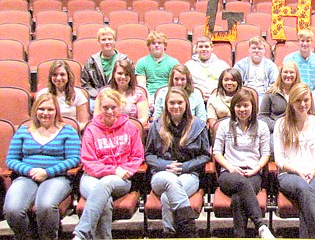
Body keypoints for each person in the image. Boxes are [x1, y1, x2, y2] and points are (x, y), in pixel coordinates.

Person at [3, 94, 80, 240]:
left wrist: (47, 172)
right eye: (41, 109)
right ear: (35, 110)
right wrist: (30, 170)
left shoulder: (68, 131)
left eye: (50, 109)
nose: (45, 113)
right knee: (12, 210)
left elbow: (73, 160)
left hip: (57, 178)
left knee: (46, 207)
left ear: (56, 111)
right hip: (27, 177)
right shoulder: (23, 131)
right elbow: (11, 160)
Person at [73, 89, 144, 240]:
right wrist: (113, 170)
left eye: (113, 107)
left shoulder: (130, 127)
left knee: (105, 184)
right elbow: (88, 162)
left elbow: (137, 156)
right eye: (105, 108)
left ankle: (81, 234)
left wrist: (122, 171)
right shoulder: (91, 129)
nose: (110, 111)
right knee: (103, 201)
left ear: (119, 107)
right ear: (99, 108)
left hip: (120, 180)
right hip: (91, 177)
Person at [145, 87, 210, 238]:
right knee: (170, 180)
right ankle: (189, 229)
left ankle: (169, 234)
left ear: (186, 104)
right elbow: (148, 155)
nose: (176, 106)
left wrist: (184, 167)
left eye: (180, 102)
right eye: (172, 103)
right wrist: (165, 166)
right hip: (161, 175)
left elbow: (205, 156)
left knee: (167, 197)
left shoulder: (198, 125)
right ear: (166, 105)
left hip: (189, 175)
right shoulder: (157, 124)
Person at [273, 83, 315, 239]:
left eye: (306, 100)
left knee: (307, 198)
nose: (302, 104)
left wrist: (313, 171)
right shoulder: (281, 124)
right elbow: (279, 159)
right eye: (298, 100)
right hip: (289, 175)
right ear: (291, 102)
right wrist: (297, 171)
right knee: (304, 190)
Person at [213, 88, 275, 238]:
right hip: (229, 173)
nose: (242, 109)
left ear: (252, 107)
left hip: (253, 173)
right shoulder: (224, 125)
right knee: (241, 184)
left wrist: (256, 169)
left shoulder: (262, 126)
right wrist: (231, 167)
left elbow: (266, 153)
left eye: (246, 106)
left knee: (238, 198)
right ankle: (260, 225)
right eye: (238, 106)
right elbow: (217, 153)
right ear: (233, 107)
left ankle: (239, 236)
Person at [82, 27, 132, 102]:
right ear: (98, 42)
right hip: (96, 97)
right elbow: (85, 84)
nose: (107, 42)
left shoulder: (125, 60)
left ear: (114, 41)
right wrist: (99, 94)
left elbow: (131, 81)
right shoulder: (91, 62)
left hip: (120, 96)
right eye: (103, 39)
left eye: (110, 39)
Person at [36, 60, 89, 129]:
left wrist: (70, 132)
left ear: (68, 76)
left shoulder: (78, 94)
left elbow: (83, 123)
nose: (58, 78)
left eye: (62, 74)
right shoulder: (43, 94)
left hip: (70, 133)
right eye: (55, 75)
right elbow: (36, 121)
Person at [135, 31, 180, 99]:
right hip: (148, 95)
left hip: (168, 95)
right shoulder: (141, 62)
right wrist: (148, 99)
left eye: (159, 43)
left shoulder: (173, 62)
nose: (156, 45)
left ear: (164, 45)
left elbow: (174, 85)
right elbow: (142, 86)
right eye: (153, 43)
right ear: (149, 46)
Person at [259, 60, 302, 133]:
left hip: (299, 130)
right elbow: (262, 117)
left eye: (291, 72)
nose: (288, 75)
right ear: (280, 74)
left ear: (296, 74)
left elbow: (312, 115)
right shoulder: (270, 93)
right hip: (276, 131)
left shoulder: (302, 92)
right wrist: (278, 126)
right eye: (285, 72)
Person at [233, 36, 278, 103]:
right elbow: (236, 83)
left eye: (260, 48)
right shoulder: (240, 65)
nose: (257, 51)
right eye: (254, 48)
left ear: (264, 50)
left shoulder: (271, 65)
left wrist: (267, 97)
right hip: (245, 95)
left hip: (265, 96)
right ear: (249, 49)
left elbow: (275, 84)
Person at [184, 36, 230, 101]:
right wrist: (199, 93)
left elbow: (228, 83)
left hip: (218, 99)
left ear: (212, 48)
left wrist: (215, 94)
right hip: (194, 99)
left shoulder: (223, 65)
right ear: (196, 48)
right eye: (200, 47)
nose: (204, 49)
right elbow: (185, 85)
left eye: (206, 46)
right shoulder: (188, 65)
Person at [107, 60, 149, 125]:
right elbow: (97, 117)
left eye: (127, 74)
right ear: (114, 74)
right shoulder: (105, 93)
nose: (123, 77)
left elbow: (143, 119)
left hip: (131, 131)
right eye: (120, 73)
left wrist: (127, 128)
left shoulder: (139, 94)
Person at [283, 29, 315, 93]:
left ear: (312, 42)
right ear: (298, 41)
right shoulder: (289, 59)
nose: (305, 44)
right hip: (293, 93)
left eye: (308, 41)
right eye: (302, 41)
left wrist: (313, 95)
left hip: (311, 94)